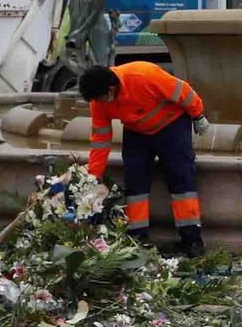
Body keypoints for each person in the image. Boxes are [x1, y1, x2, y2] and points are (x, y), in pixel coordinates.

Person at [79, 61, 211, 257]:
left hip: (171, 125)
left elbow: (183, 92)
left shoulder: (143, 76)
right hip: (136, 132)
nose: (99, 104)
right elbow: (100, 140)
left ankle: (192, 240)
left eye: (100, 98)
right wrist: (93, 175)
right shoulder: (99, 102)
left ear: (110, 89)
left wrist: (198, 115)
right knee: (135, 182)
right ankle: (137, 239)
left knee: (181, 180)